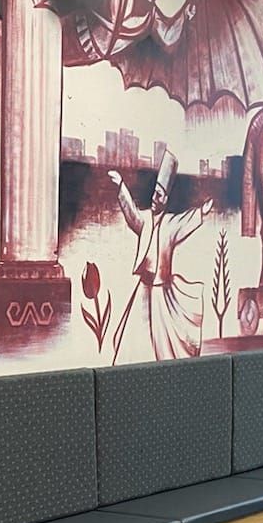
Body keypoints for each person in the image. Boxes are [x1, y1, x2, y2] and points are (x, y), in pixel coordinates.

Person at [109, 149, 210, 364]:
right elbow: (131, 214)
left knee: (164, 341)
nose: (155, 198)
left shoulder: (171, 224)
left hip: (161, 291)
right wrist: (121, 187)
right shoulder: (145, 220)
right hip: (144, 288)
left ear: (166, 199)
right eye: (155, 193)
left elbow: (186, 221)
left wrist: (202, 211)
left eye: (160, 195)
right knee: (131, 334)